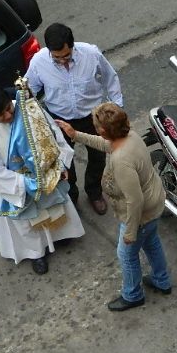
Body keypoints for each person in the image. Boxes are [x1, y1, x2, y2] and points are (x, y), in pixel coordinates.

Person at [54, 103, 171, 311]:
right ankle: (162, 280)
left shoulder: (121, 161)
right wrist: (76, 135)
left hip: (139, 216)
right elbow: (106, 144)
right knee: (152, 242)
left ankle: (133, 295)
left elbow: (134, 201)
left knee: (126, 255)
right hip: (153, 204)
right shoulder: (129, 136)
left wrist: (131, 232)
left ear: (104, 130)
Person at [0, 85, 85, 275]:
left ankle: (62, 236)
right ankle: (36, 253)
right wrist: (26, 183)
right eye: (1, 115)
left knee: (55, 208)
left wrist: (61, 164)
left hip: (45, 175)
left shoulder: (29, 109)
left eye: (9, 108)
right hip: (18, 185)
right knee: (27, 223)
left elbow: (52, 133)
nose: (8, 116)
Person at [25, 23, 124, 216]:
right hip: (59, 121)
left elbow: (110, 79)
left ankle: (94, 192)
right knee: (64, 163)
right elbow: (31, 91)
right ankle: (72, 197)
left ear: (72, 46)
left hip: (92, 117)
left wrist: (117, 109)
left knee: (98, 157)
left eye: (66, 56)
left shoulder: (91, 54)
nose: (62, 61)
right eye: (57, 58)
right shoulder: (38, 62)